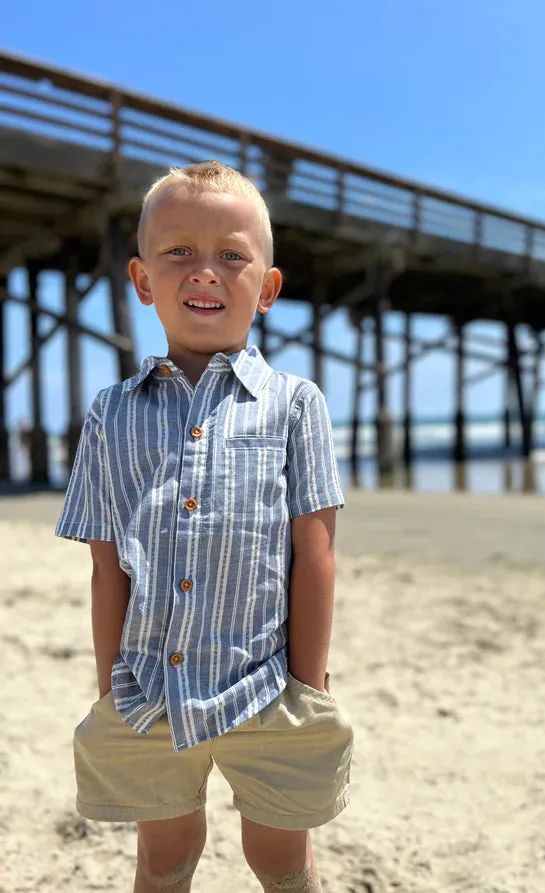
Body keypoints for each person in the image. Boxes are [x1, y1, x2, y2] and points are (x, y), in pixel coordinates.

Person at [55, 161, 353, 893]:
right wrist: (110, 689)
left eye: (231, 255)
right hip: (150, 685)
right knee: (164, 857)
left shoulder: (294, 403)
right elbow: (107, 567)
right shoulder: (111, 413)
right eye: (179, 251)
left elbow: (313, 556)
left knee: (281, 858)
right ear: (142, 280)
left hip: (268, 685)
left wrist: (307, 687)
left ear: (269, 287)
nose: (205, 272)